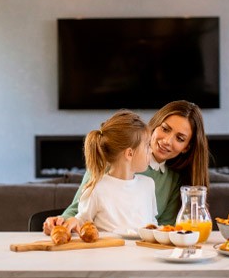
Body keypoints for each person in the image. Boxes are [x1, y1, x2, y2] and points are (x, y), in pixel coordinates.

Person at [44, 100, 209, 234]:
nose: (167, 140)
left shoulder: (174, 179)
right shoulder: (110, 160)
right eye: (165, 129)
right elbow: (79, 210)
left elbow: (164, 227)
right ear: (155, 125)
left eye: (180, 138)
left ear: (186, 147)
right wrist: (60, 222)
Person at [55, 110, 156, 234]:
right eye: (147, 146)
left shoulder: (148, 185)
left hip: (142, 252)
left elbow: (152, 223)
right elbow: (82, 220)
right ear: (129, 153)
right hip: (108, 252)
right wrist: (73, 221)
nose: (151, 151)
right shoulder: (97, 188)